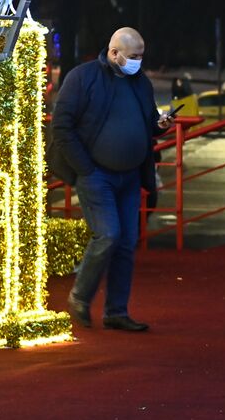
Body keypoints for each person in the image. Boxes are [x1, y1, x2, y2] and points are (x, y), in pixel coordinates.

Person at [50, 27, 172, 332]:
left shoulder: (139, 82)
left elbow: (147, 122)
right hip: (97, 174)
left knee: (126, 243)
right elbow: (62, 127)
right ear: (114, 53)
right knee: (108, 235)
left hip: (129, 175)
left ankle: (116, 311)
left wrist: (160, 126)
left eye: (141, 56)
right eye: (133, 56)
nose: (138, 62)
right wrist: (86, 169)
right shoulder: (83, 77)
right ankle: (80, 296)